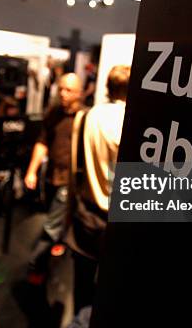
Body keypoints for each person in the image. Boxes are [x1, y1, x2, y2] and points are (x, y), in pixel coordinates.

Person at [67, 65, 131, 313]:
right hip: (113, 219)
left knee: (81, 287)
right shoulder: (131, 121)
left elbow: (77, 167)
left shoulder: (89, 115)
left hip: (85, 212)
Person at [24, 73, 83, 283]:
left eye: (68, 90)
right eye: (61, 89)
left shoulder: (84, 118)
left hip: (69, 180)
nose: (63, 94)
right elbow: (42, 143)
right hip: (51, 177)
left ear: (79, 93)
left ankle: (35, 265)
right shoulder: (52, 113)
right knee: (54, 217)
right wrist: (32, 170)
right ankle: (58, 243)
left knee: (51, 224)